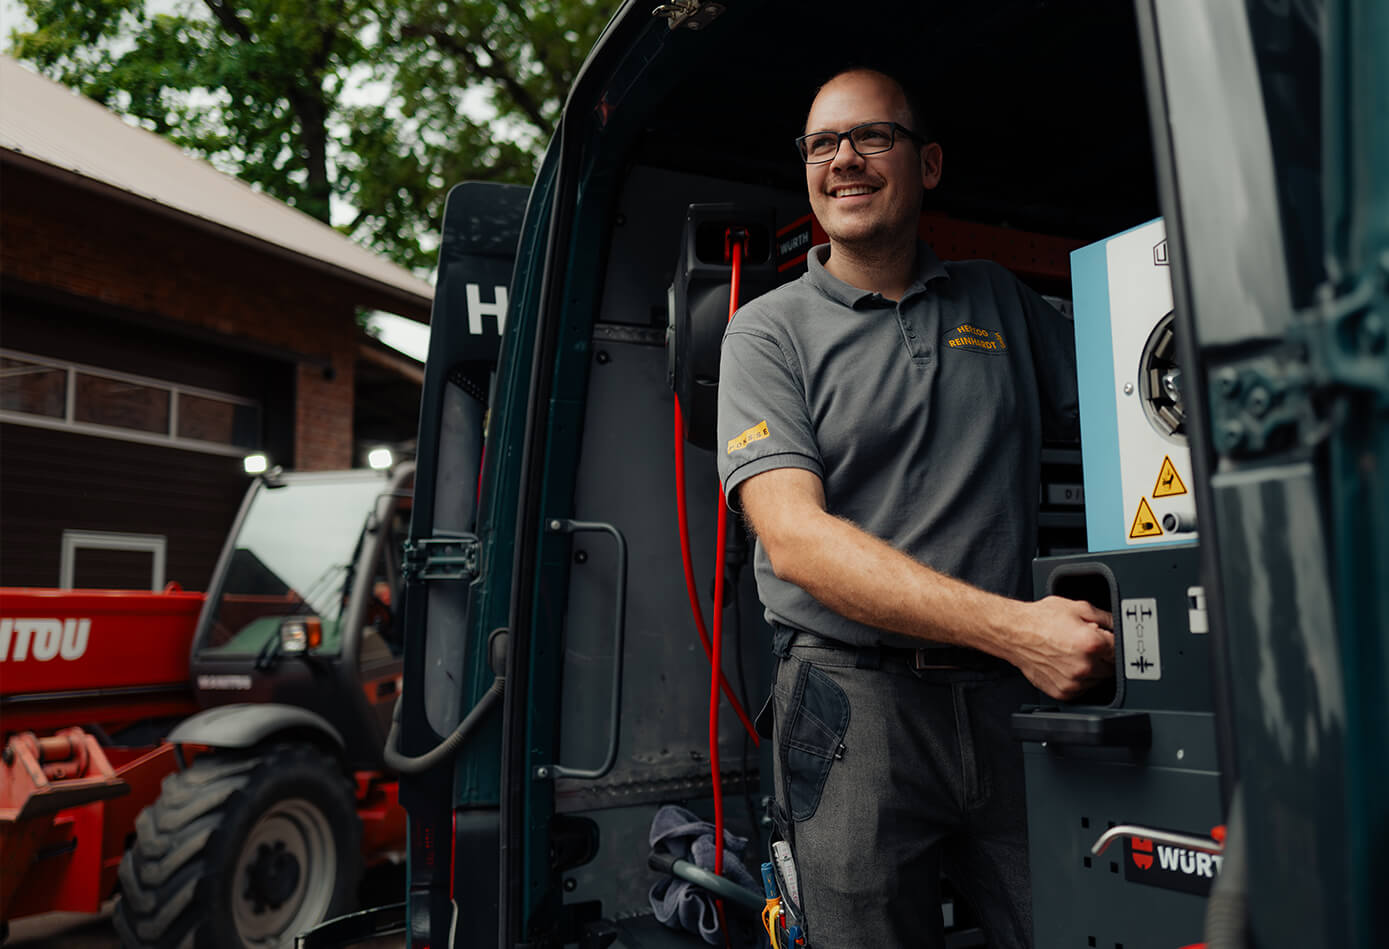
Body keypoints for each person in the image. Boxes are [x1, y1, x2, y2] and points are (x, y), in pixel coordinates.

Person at [715, 68, 1115, 948]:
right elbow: (797, 542)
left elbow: (1135, 408)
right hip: (854, 707)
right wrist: (1018, 629)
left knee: (1076, 927)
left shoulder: (997, 299)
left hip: (1009, 701)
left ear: (926, 163)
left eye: (872, 138)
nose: (843, 161)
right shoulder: (766, 332)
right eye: (822, 144)